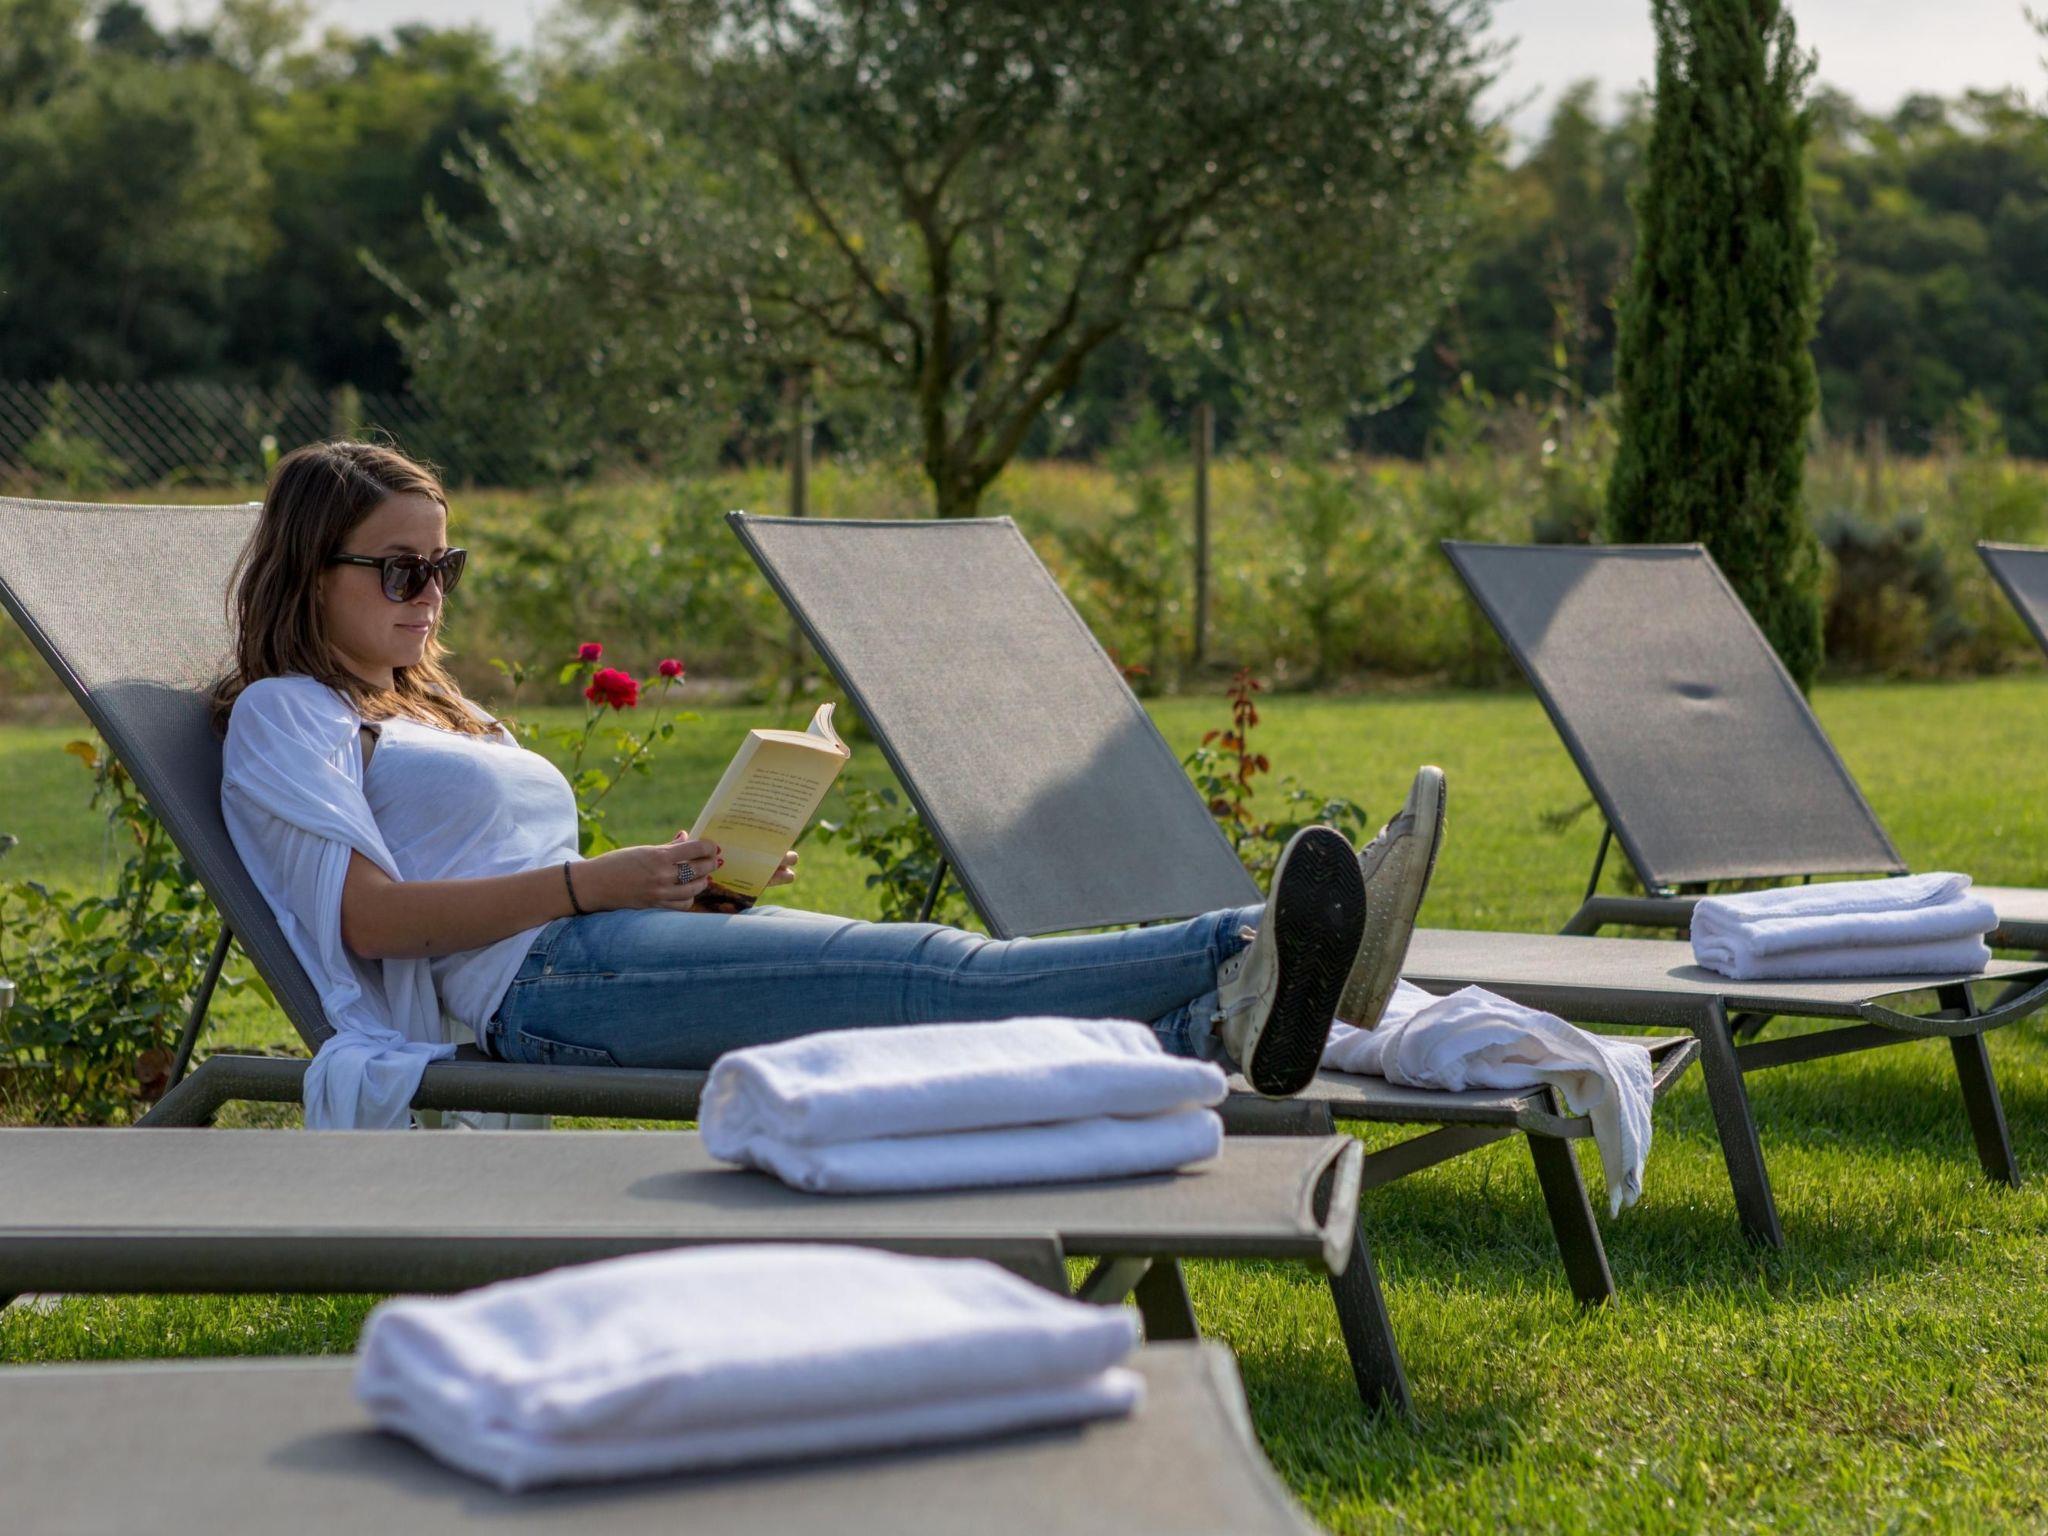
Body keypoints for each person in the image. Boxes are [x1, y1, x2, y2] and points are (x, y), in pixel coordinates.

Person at [214, 441, 1447, 1129]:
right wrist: (595, 885)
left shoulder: (434, 708)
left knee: (930, 972)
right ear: (311, 572)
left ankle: (1227, 1013)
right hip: (540, 987)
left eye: (444, 568)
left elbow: (518, 878)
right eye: (401, 571)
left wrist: (690, 876)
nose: (430, 596)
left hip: (595, 950)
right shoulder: (288, 713)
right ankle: (1254, 948)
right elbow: (369, 921)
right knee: (928, 975)